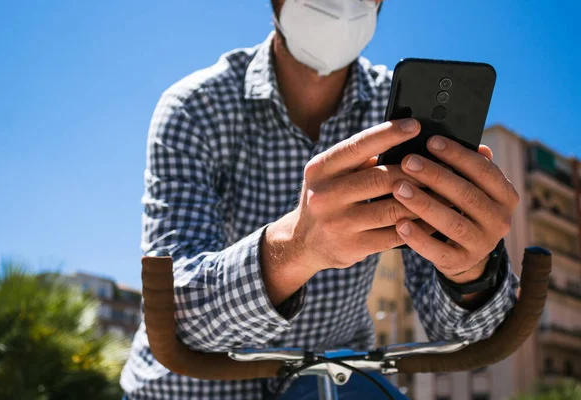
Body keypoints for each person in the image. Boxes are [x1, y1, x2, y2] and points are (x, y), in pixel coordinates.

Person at [120, 0, 520, 398]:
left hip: (333, 382)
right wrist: (295, 249)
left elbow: (461, 333)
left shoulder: (396, 112)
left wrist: (471, 274)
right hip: (188, 389)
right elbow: (175, 312)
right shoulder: (194, 108)